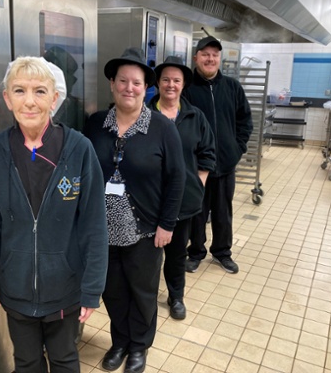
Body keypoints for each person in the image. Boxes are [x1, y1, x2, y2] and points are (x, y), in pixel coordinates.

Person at [0, 56, 108, 373]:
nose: (29, 101)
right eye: (19, 90)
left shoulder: (79, 149)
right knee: (26, 362)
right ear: (7, 98)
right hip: (15, 290)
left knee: (65, 360)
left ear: (55, 98)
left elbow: (94, 227)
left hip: (65, 289)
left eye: (40, 91)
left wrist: (92, 288)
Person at [83, 48, 185, 373]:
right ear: (112, 84)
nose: (129, 87)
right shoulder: (96, 124)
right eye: (123, 81)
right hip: (103, 229)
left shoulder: (162, 128)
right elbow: (84, 172)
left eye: (136, 83)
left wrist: (167, 224)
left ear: (146, 88)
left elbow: (176, 179)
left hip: (146, 229)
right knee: (112, 290)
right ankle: (120, 341)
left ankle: (140, 346)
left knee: (142, 291)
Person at [148, 56, 216, 320]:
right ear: (158, 83)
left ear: (183, 84)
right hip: (150, 201)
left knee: (176, 255)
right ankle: (146, 298)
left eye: (176, 80)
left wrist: (196, 185)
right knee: (148, 258)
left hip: (184, 203)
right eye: (165, 79)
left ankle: (176, 297)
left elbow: (207, 153)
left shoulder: (194, 116)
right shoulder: (145, 115)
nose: (170, 85)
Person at [184, 36, 253, 275]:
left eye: (214, 54)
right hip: (196, 167)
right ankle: (195, 252)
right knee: (197, 212)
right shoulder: (187, 88)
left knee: (223, 211)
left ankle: (222, 252)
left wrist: (237, 148)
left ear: (220, 59)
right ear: (196, 58)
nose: (210, 59)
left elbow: (245, 120)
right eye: (205, 54)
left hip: (225, 164)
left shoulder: (232, 87)